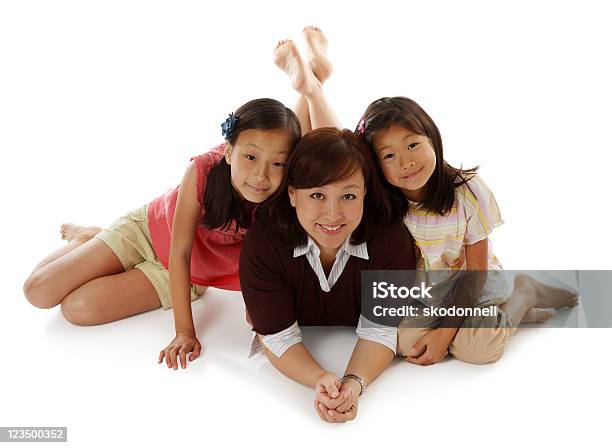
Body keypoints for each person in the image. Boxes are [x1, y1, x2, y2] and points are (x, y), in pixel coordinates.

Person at [356, 96, 579, 366]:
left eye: (413, 145)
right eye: (389, 155)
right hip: (424, 294)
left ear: (432, 138)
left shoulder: (467, 192)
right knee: (406, 342)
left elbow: (475, 273)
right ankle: (504, 318)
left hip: (470, 284)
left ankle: (525, 294)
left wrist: (444, 334)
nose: (406, 162)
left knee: (478, 349)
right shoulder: (385, 204)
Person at [240, 128, 416, 423]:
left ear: (365, 194)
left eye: (348, 195)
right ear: (293, 195)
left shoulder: (390, 240)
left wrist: (354, 384)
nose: (333, 214)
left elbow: (380, 329)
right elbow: (276, 335)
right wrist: (319, 378)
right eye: (317, 195)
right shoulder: (264, 243)